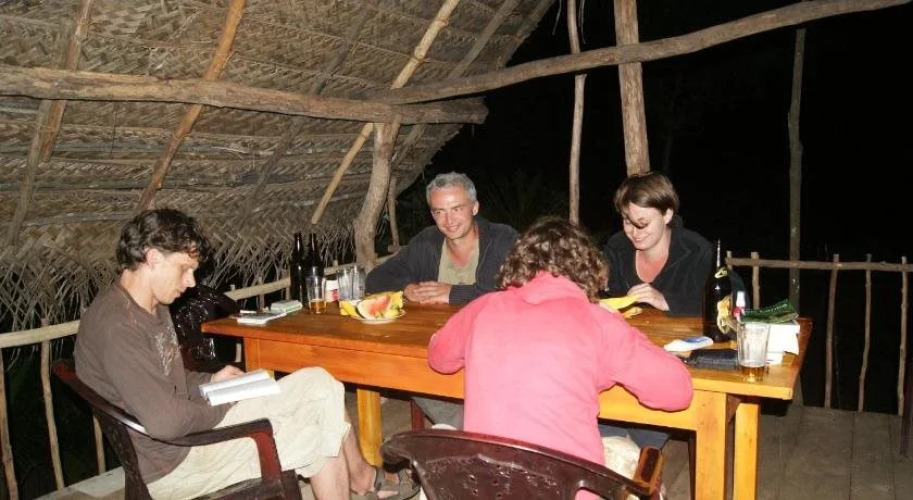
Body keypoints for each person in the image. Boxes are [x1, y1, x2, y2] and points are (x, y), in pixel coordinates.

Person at [74, 209, 416, 500]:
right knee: (315, 433)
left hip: (187, 431)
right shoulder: (118, 327)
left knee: (320, 381)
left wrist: (211, 379)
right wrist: (225, 403)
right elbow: (167, 422)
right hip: (177, 463)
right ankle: (362, 478)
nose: (191, 282)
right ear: (153, 258)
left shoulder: (150, 303)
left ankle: (359, 478)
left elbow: (161, 378)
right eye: (184, 269)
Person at [427, 217, 693, 498]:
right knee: (630, 455)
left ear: (519, 263)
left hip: (485, 489)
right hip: (568, 491)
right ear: (586, 267)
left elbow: (439, 357)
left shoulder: (483, 307)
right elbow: (678, 392)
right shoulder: (599, 323)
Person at [366, 172, 518, 427]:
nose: (449, 220)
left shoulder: (503, 239)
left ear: (474, 207)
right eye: (440, 212)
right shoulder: (427, 242)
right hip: (439, 345)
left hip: (495, 345)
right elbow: (376, 278)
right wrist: (406, 288)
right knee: (407, 363)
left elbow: (515, 292)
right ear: (432, 214)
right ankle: (466, 428)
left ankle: (481, 427)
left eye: (457, 209)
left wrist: (453, 293)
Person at [602, 171, 714, 316]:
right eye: (628, 222)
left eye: (643, 224)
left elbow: (734, 298)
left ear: (667, 215)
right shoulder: (617, 247)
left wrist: (667, 301)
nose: (635, 233)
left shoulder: (696, 251)